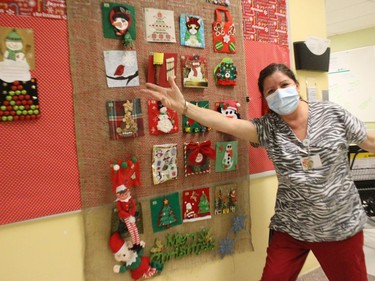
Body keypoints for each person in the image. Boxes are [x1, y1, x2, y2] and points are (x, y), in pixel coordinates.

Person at [141, 63, 375, 281]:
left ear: (296, 85)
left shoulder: (333, 114)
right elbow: (226, 123)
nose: (280, 92)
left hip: (339, 226)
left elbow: (369, 141)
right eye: (271, 90)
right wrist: (184, 107)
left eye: (284, 85)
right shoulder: (267, 128)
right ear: (265, 98)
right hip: (291, 227)